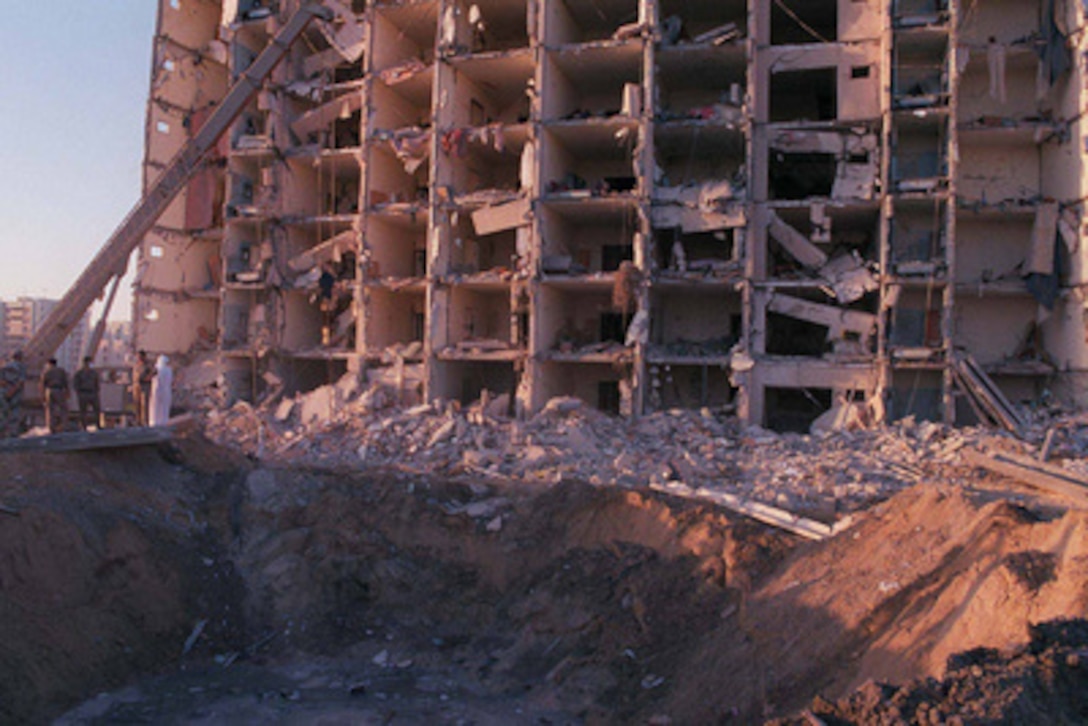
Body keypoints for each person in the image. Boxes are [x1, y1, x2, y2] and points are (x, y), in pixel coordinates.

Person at [0, 350, 26, 438]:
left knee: (3, 414)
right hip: (15, 394)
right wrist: (13, 390)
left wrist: (6, 389)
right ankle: (13, 434)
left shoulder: (4, 366)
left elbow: (1, 381)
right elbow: (21, 381)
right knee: (15, 413)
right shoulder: (21, 367)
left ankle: (2, 433)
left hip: (3, 393)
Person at [39, 358, 70, 434]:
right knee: (63, 408)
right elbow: (65, 382)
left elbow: (42, 384)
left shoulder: (46, 371)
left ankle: (51, 427)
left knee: (50, 410)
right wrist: (67, 392)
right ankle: (64, 425)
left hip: (49, 391)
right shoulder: (61, 371)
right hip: (59, 390)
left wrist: (42, 395)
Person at [73, 356, 101, 431]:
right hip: (83, 393)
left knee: (97, 410)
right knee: (83, 411)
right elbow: (76, 384)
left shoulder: (94, 373)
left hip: (92, 393)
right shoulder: (79, 373)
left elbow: (96, 383)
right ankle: (84, 426)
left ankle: (98, 424)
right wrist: (79, 393)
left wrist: (96, 391)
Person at [149, 355, 173, 427]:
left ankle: (154, 423)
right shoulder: (169, 370)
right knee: (164, 408)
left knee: (155, 408)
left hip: (157, 391)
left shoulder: (157, 369)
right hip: (166, 391)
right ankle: (163, 422)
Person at [132, 350, 155, 426]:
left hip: (144, 386)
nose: (139, 358)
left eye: (140, 357)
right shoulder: (136, 365)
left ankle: (144, 422)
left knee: (144, 404)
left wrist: (147, 378)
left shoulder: (148, 365)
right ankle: (138, 421)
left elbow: (154, 372)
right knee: (136, 403)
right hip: (136, 386)